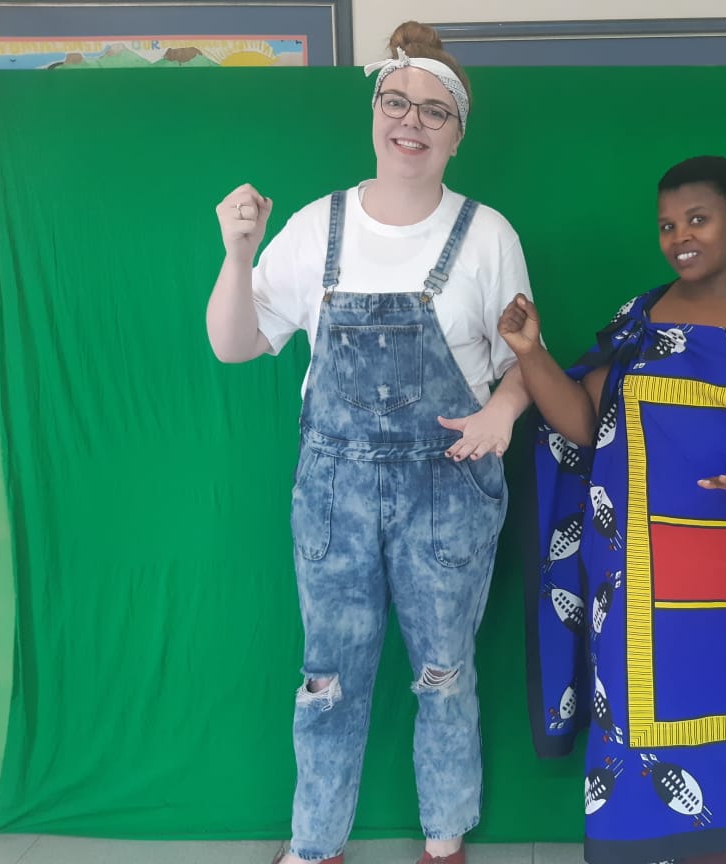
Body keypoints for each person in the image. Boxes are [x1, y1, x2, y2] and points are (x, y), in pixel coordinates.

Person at [206, 21, 534, 864]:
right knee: (327, 681)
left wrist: (502, 414)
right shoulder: (316, 226)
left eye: (434, 110)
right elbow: (236, 344)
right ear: (375, 111)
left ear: (458, 133)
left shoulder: (488, 236)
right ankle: (315, 844)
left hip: (448, 493)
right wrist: (238, 255)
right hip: (334, 497)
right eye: (397, 102)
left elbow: (523, 361)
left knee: (446, 675)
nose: (411, 122)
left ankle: (444, 839)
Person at [499, 155, 726, 864]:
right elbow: (583, 425)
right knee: (637, 724)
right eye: (667, 226)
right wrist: (529, 352)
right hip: (637, 586)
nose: (680, 238)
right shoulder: (641, 321)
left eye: (697, 219)